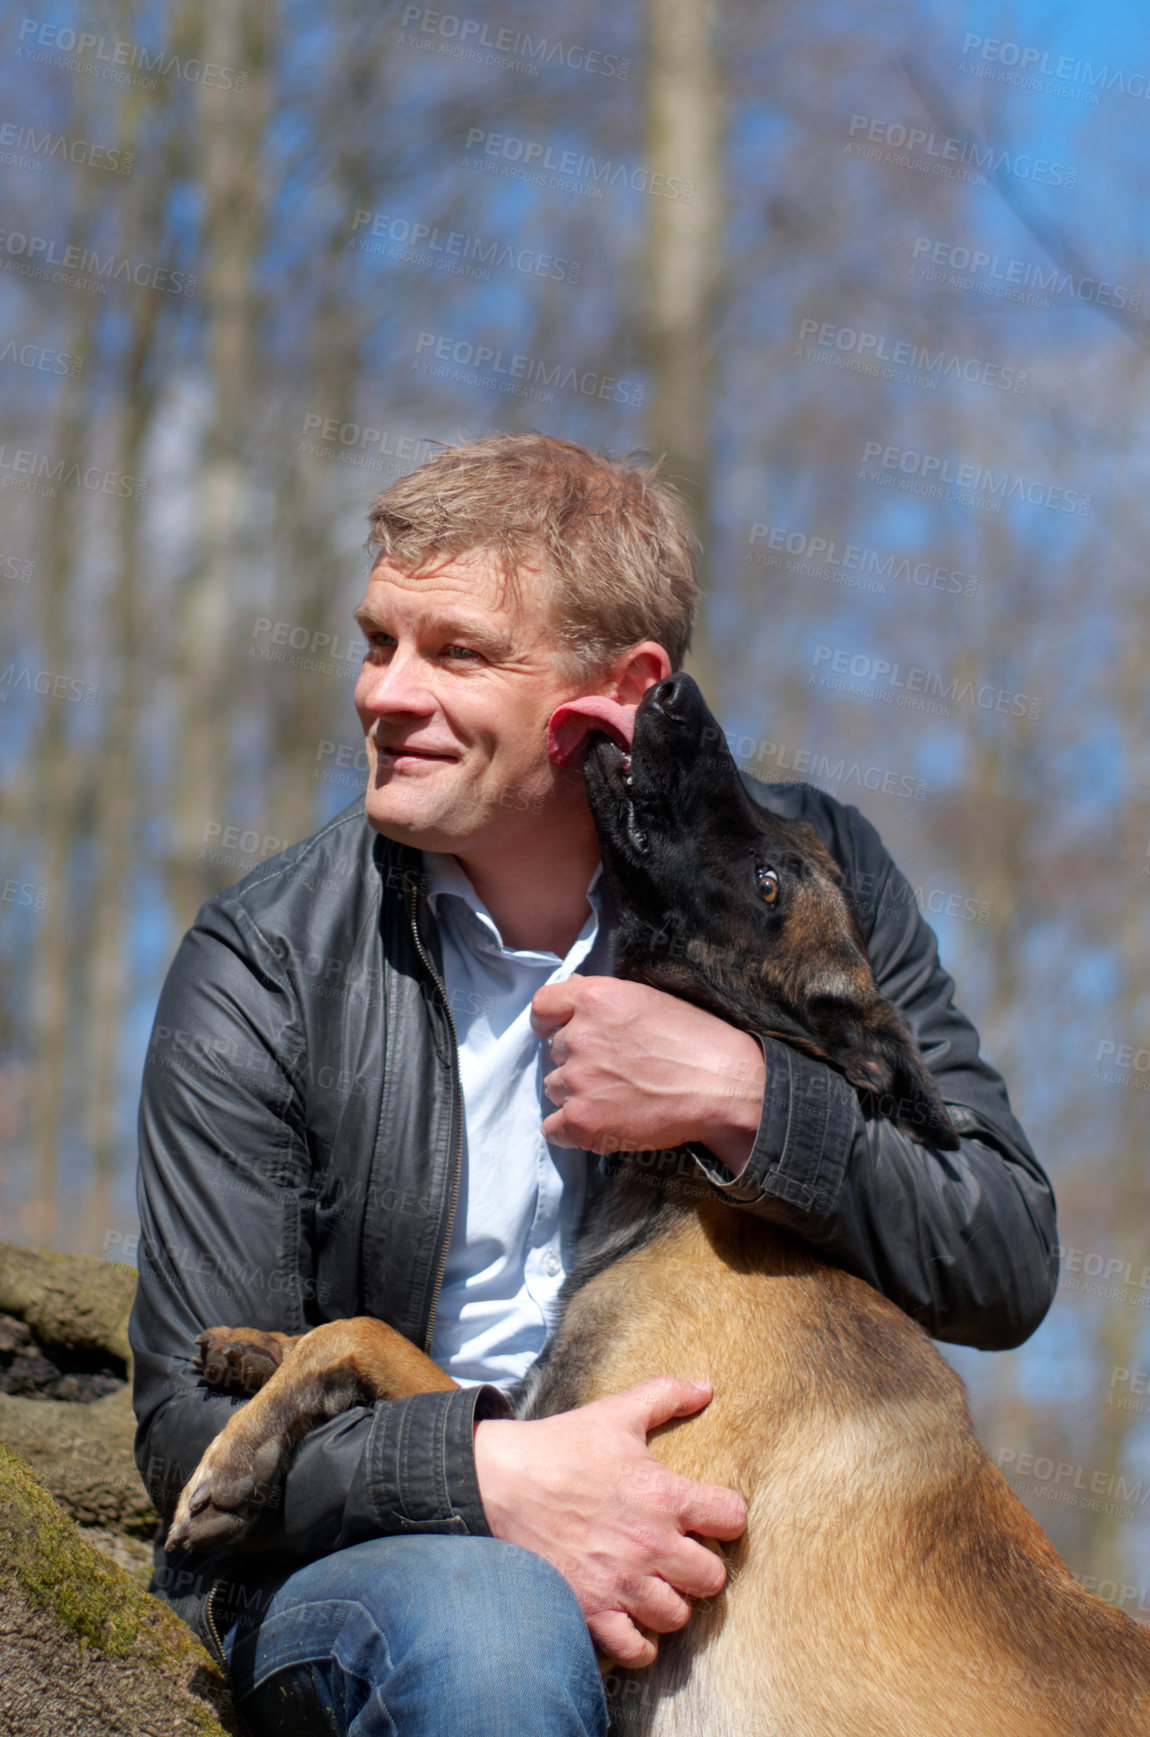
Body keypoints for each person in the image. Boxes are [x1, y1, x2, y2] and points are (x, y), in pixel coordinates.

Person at [131, 431, 1058, 1736]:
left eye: (455, 652)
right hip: (388, 1576)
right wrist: (490, 1475)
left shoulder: (794, 881)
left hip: (732, 1543)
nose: (383, 693)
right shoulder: (265, 963)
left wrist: (744, 1097)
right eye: (376, 639)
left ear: (619, 690)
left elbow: (1003, 1250)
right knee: (498, 1633)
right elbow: (187, 1430)